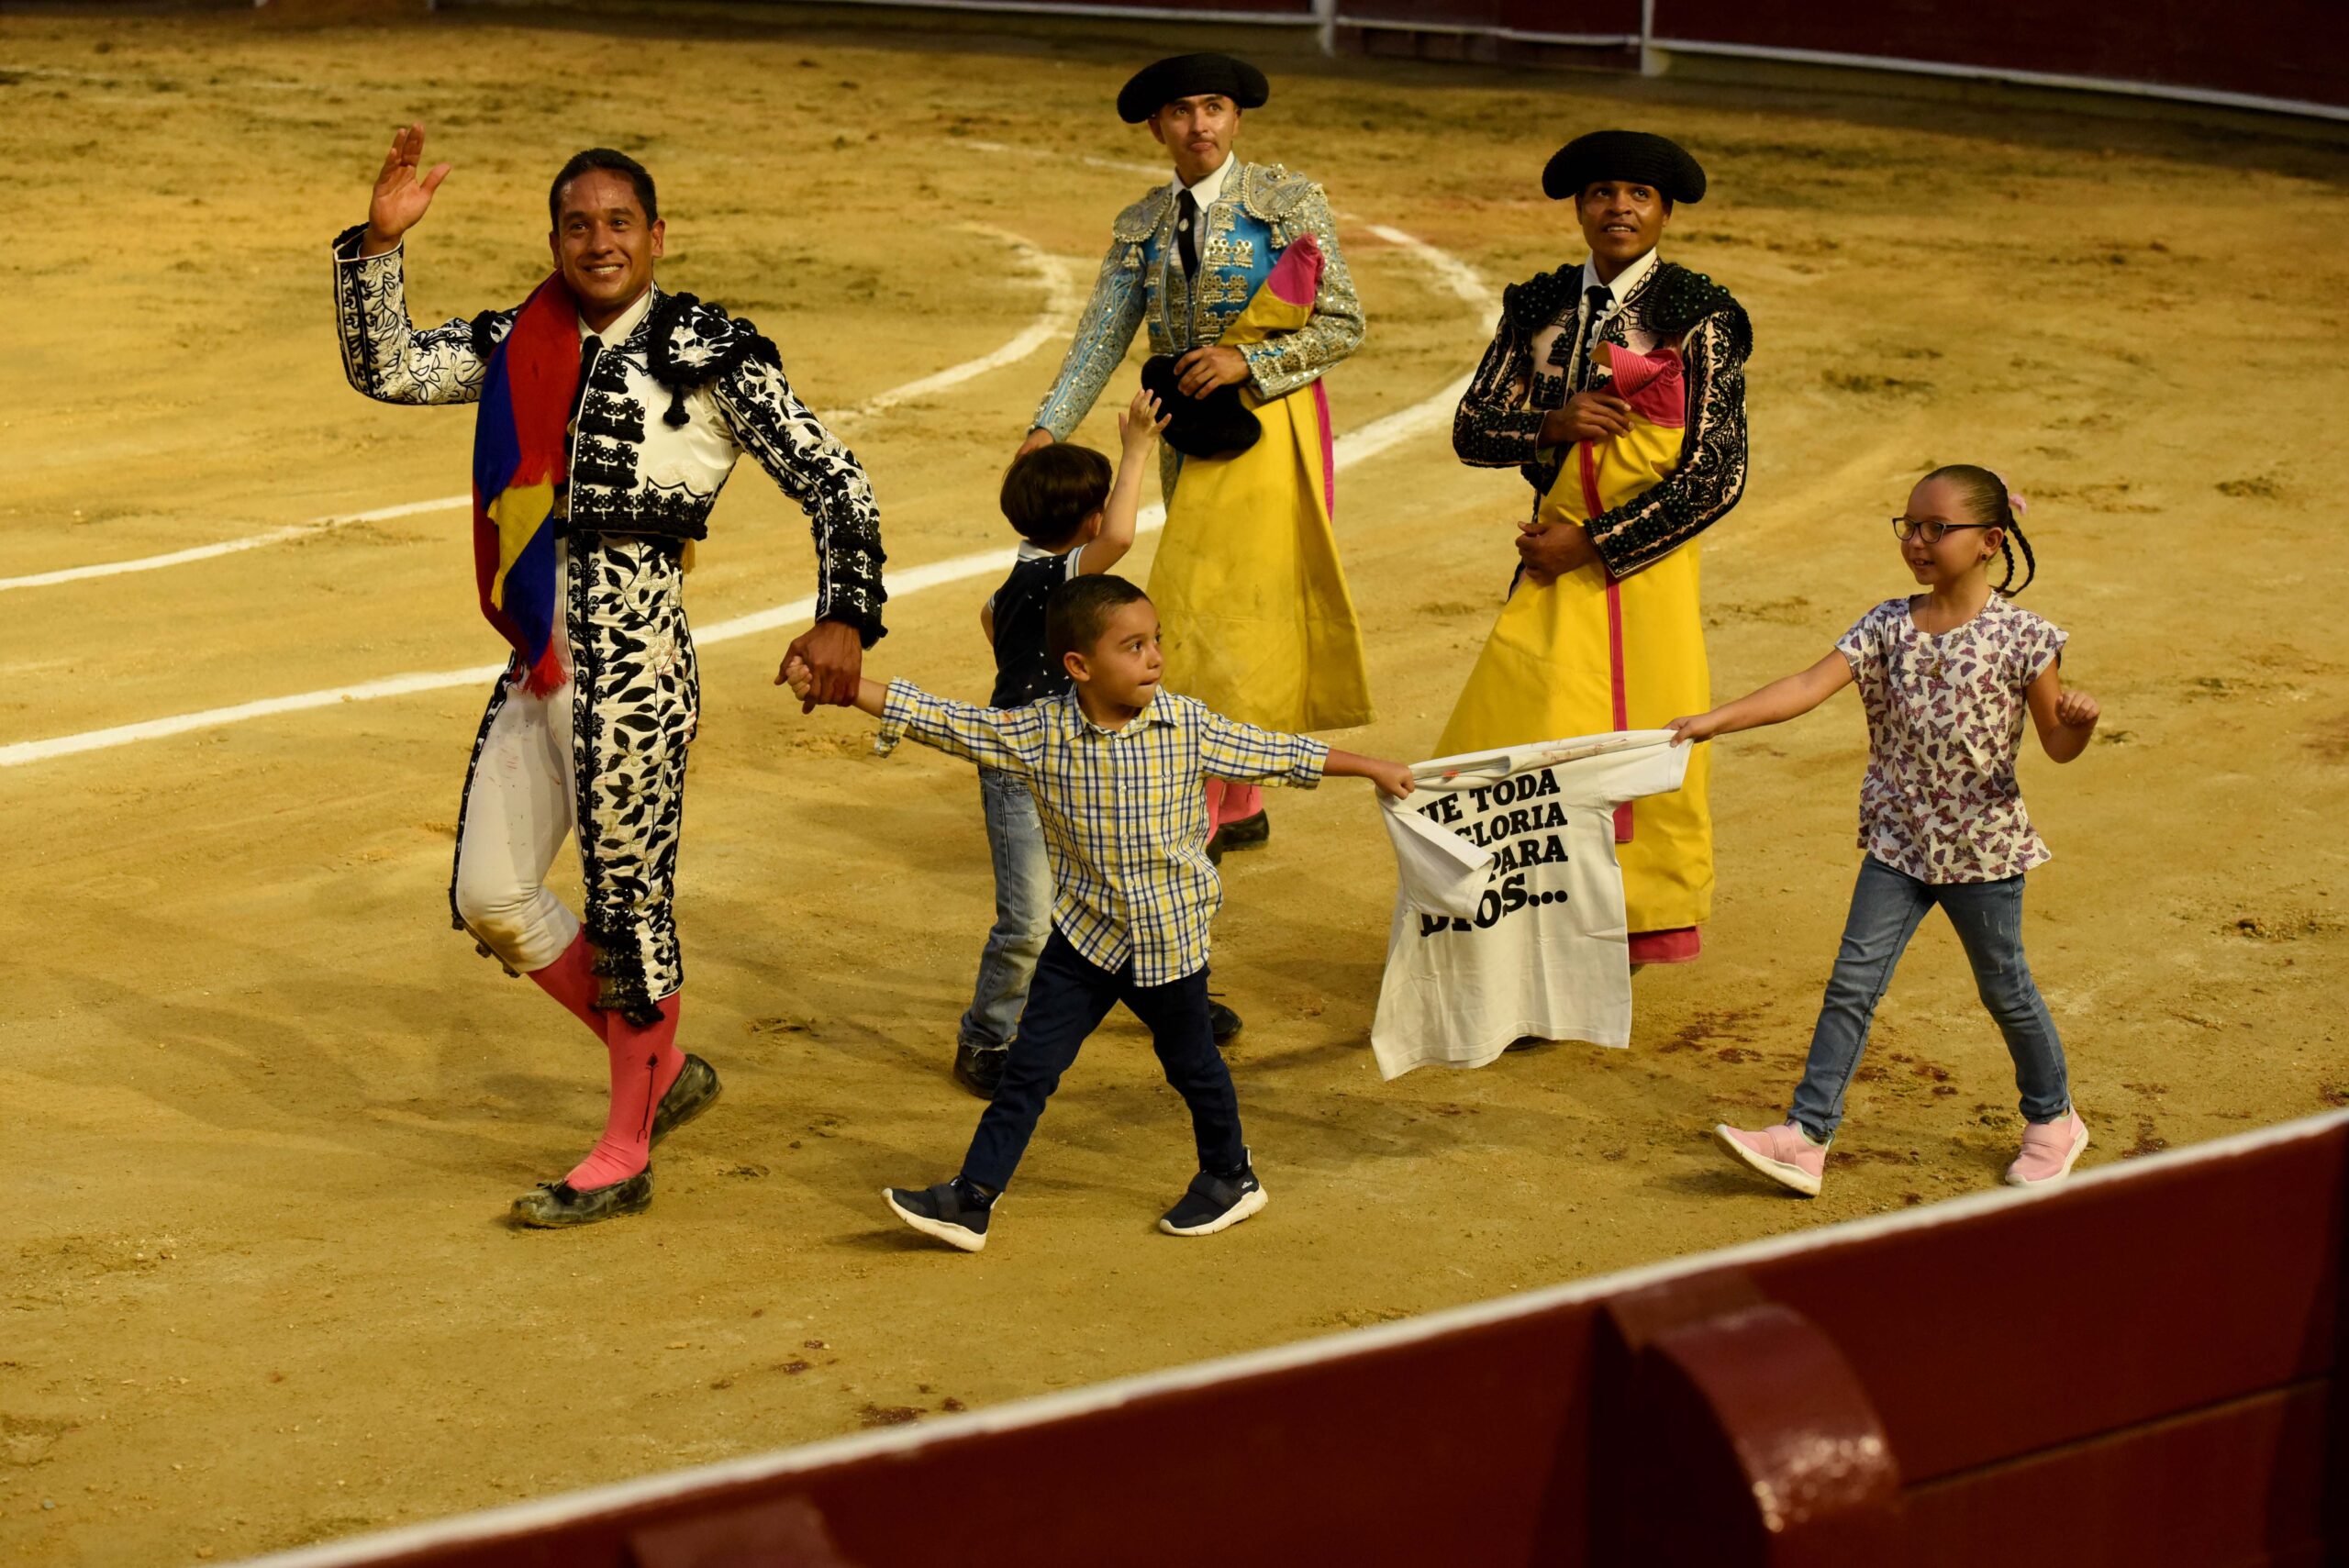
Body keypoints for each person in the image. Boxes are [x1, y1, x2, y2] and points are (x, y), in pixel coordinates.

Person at [330, 126, 886, 1227]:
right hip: (538, 656)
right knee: (491, 895)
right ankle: (662, 1066)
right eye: (577, 224)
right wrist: (376, 248)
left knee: (630, 911)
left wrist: (844, 617)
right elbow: (389, 367)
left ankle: (624, 1147)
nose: (598, 241)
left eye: (619, 222)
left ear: (656, 236)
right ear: (554, 238)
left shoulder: (713, 351)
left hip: (637, 660)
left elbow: (838, 484)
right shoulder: (520, 335)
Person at [782, 576, 1414, 1251]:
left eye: (1156, 641)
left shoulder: (1188, 726)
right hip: (1084, 940)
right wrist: (846, 688)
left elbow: (1282, 753)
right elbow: (948, 721)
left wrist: (1371, 766)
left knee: (1193, 1064)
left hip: (1168, 942)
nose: (1154, 659)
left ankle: (1232, 1175)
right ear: (1079, 666)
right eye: (1134, 645)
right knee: (1028, 1069)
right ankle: (972, 1198)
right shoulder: (1039, 731)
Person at [1667, 466, 2100, 1196]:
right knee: (1851, 986)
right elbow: (1805, 687)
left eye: (1938, 529)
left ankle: (2054, 1120)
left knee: (2006, 989)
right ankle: (1806, 1136)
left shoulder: (2027, 638)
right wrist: (1715, 719)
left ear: (1990, 541)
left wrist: (2079, 726)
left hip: (1983, 851)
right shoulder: (1885, 624)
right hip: (1898, 844)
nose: (1919, 541)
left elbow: (2056, 745)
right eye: (1909, 526)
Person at [1019, 51, 1371, 860]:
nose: (1199, 124)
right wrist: (1050, 425)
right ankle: (1242, 797)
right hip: (1186, 436)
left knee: (1214, 606)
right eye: (1181, 111)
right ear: (1157, 128)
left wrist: (1251, 362)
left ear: (1237, 119)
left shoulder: (1287, 203)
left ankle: (1208, 803)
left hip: (1270, 428)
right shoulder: (1141, 224)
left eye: (1213, 107)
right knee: (1226, 607)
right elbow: (1103, 333)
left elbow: (1343, 324)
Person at [1445, 129, 1751, 969]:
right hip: (1549, 562)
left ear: (1664, 212)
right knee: (1525, 736)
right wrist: (1550, 420)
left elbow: (1717, 474)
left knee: (1639, 734)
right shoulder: (1539, 305)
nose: (1619, 207)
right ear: (1580, 208)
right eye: (1603, 193)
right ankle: (1534, 918)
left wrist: (1596, 541)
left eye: (1639, 195)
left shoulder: (1699, 316)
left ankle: (1620, 926)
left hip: (1641, 571)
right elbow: (1472, 428)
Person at [951, 388, 1166, 1099]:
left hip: (1057, 756)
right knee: (1031, 916)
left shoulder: (1016, 583)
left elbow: (987, 619)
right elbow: (1125, 537)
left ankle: (1166, 998)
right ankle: (985, 1036)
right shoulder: (1056, 573)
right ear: (1088, 520)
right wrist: (1136, 450)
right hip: (1022, 766)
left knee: (1111, 884)